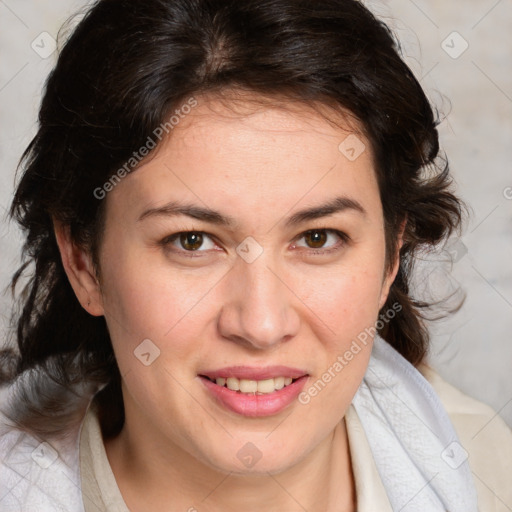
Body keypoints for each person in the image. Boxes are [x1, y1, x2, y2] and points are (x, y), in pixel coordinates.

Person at [0, 0, 510, 511]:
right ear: (84, 262)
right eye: (192, 241)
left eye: (318, 238)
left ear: (390, 257)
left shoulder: (490, 473)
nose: (261, 324)